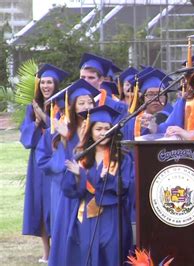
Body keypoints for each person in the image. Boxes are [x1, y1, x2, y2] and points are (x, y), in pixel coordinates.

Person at [63, 105, 133, 266]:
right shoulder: (81, 156)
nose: (103, 133)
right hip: (87, 215)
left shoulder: (121, 157)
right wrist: (78, 175)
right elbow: (70, 191)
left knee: (111, 253)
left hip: (112, 216)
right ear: (91, 131)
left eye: (107, 129)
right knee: (86, 253)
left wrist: (107, 179)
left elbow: (125, 188)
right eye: (98, 129)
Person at [44, 79, 100, 266]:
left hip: (92, 191)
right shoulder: (65, 130)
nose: (87, 106)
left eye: (90, 102)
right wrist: (65, 139)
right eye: (81, 103)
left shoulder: (99, 129)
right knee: (68, 237)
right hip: (71, 194)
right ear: (73, 106)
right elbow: (62, 165)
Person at [20, 64, 69, 264]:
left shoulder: (63, 106)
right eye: (43, 82)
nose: (46, 86)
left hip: (55, 161)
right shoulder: (31, 108)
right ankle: (46, 251)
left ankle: (56, 249)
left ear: (56, 84)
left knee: (54, 204)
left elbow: (63, 132)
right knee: (40, 203)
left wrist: (45, 117)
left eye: (50, 82)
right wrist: (37, 121)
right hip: (37, 163)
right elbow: (26, 138)